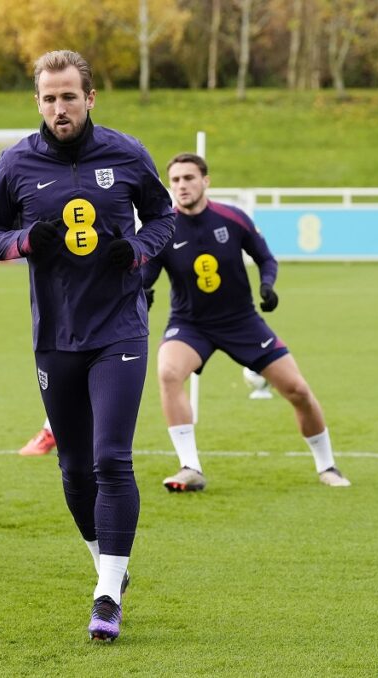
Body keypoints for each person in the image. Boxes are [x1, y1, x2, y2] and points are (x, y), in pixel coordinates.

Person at [0, 50, 175, 642]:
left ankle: (107, 595)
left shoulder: (128, 153)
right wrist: (23, 241)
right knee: (73, 469)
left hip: (120, 329)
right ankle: (108, 567)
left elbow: (163, 219)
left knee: (112, 458)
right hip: (55, 337)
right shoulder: (16, 163)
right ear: (37, 102)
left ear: (90, 98)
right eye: (48, 97)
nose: (59, 108)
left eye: (69, 96)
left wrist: (137, 250)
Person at [142, 153, 351, 491]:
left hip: (242, 322)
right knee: (167, 372)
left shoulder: (233, 218)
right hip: (190, 324)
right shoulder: (164, 228)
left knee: (298, 390)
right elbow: (146, 274)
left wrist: (267, 284)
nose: (182, 186)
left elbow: (264, 256)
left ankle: (327, 466)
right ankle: (189, 467)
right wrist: (141, 290)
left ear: (205, 181)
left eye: (189, 178)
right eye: (176, 180)